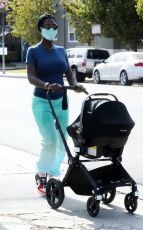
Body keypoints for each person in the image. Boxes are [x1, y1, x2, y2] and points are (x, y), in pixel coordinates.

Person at [26, 13, 85, 195]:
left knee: (62, 140)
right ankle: (41, 175)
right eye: (48, 26)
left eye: (54, 26)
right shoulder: (33, 51)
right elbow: (31, 77)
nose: (52, 29)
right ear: (41, 29)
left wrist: (75, 84)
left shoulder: (61, 51)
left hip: (61, 100)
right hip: (42, 101)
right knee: (50, 140)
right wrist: (46, 85)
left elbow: (68, 72)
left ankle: (52, 174)